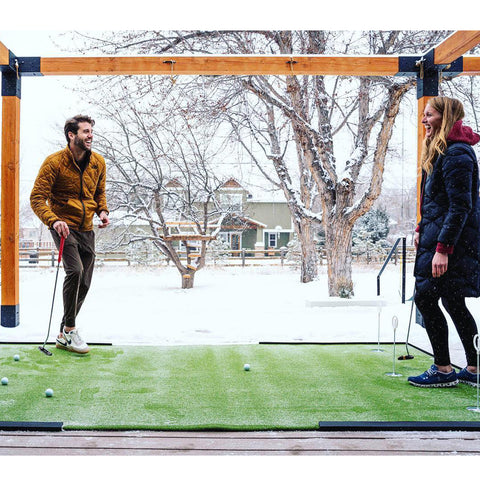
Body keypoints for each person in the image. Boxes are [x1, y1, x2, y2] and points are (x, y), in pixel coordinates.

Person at [409, 96, 480, 387]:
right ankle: (474, 370)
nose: (424, 120)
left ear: (446, 117)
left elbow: (460, 206)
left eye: (430, 115)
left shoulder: (457, 155)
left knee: (426, 298)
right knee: (452, 301)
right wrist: (419, 227)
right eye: (424, 115)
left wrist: (442, 250)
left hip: (451, 245)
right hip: (439, 237)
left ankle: (443, 369)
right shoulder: (444, 151)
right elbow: (437, 201)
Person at [30, 115, 110, 354]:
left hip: (87, 227)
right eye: (85, 131)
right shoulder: (54, 162)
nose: (90, 135)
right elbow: (36, 199)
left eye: (91, 131)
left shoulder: (98, 162)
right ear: (71, 135)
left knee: (85, 282)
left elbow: (99, 193)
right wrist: (54, 221)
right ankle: (71, 329)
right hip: (63, 226)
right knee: (75, 271)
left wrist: (103, 211)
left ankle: (64, 332)